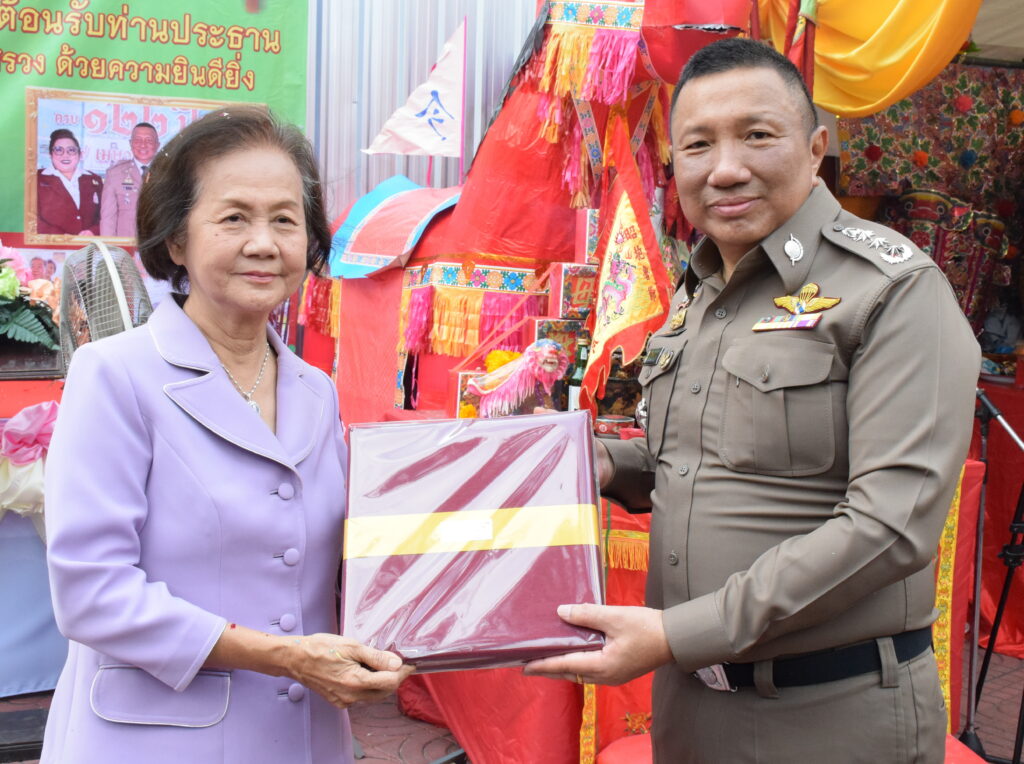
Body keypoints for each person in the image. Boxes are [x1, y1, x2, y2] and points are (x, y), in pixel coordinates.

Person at [525, 38, 980, 762]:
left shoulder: (891, 290)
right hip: (691, 709)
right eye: (698, 145)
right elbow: (697, 458)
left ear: (816, 148)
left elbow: (890, 525)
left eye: (757, 135)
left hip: (828, 716)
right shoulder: (701, 290)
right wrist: (606, 463)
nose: (726, 168)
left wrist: (678, 633)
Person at [42, 105, 413, 764]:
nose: (264, 243)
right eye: (234, 217)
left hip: (304, 741)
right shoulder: (115, 375)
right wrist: (283, 656)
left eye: (285, 220)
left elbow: (340, 562)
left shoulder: (315, 390)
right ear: (176, 241)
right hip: (156, 742)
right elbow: (91, 595)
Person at [36, 129, 102, 236]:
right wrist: (60, 236)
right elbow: (30, 217)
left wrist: (93, 231)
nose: (65, 155)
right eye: (58, 150)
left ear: (80, 154)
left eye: (71, 150)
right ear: (50, 154)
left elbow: (106, 215)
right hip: (51, 243)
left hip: (89, 243)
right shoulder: (37, 179)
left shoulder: (94, 180)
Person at [100, 121, 159, 238]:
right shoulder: (115, 174)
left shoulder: (168, 173)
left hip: (157, 245)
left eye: (148, 140)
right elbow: (108, 219)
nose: (143, 145)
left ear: (157, 144)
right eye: (137, 140)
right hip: (126, 245)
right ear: (130, 143)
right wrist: (109, 247)